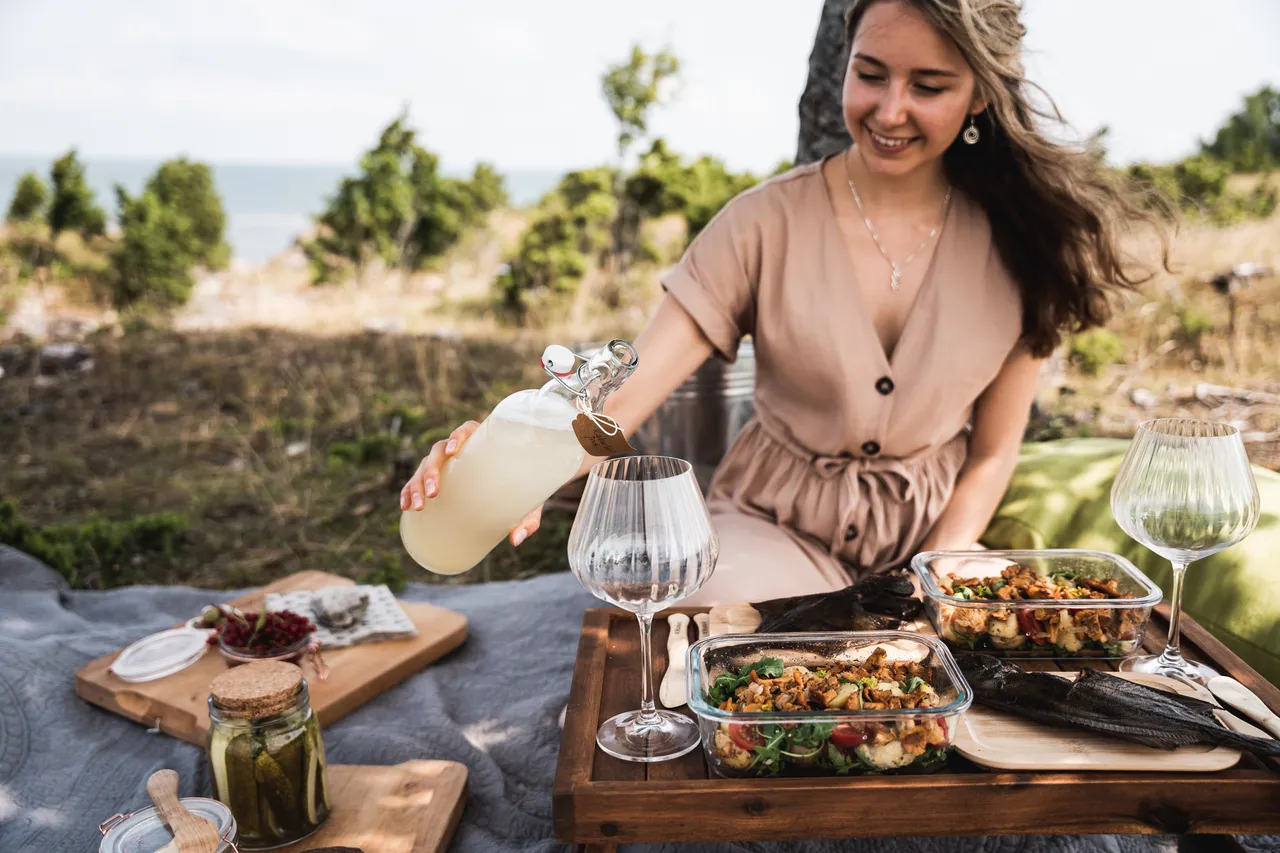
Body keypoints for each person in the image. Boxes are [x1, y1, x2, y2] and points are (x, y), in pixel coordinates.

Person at [400, 0, 1166, 605]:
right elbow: (624, 395)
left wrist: (946, 559)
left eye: (928, 86)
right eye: (871, 74)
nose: (890, 110)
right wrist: (517, 454)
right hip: (767, 536)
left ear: (977, 99)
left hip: (933, 539)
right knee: (708, 616)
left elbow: (995, 450)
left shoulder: (1029, 243)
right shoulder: (761, 221)